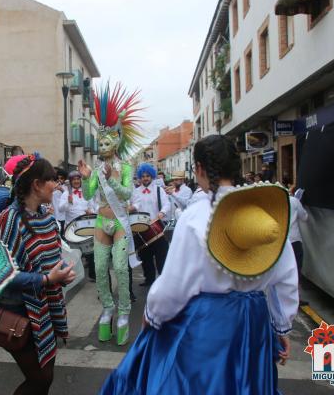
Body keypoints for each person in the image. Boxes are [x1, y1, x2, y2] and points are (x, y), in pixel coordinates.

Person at [101, 135, 299, 394]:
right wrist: (281, 325)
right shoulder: (261, 213)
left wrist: (153, 315)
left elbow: (174, 285)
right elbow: (285, 277)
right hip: (255, 323)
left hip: (208, 324)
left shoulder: (196, 215)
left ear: (199, 169)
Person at [0, 153, 75, 395]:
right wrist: (47, 280)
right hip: (19, 310)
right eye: (51, 179)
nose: (57, 184)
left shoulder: (46, 217)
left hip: (46, 307)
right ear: (37, 185)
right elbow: (3, 276)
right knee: (40, 379)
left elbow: (52, 258)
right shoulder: (8, 220)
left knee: (45, 377)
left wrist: (60, 275)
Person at [78, 82, 144, 346]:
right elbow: (87, 195)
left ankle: (125, 312)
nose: (102, 145)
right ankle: (107, 307)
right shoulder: (96, 168)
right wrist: (85, 179)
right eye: (100, 141)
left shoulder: (126, 167)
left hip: (118, 222)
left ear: (115, 142)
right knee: (100, 267)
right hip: (101, 221)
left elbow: (127, 195)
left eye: (106, 141)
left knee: (119, 266)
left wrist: (113, 180)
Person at [130, 163, 170, 287]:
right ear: (140, 178)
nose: (145, 178)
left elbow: (167, 204)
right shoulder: (135, 192)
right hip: (141, 229)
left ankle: (164, 282)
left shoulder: (159, 190)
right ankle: (149, 280)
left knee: (161, 257)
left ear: (152, 176)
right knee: (145, 258)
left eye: (147, 176)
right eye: (143, 176)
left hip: (157, 228)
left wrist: (162, 213)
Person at [58, 170, 96, 280]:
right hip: (71, 228)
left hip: (85, 225)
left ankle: (93, 274)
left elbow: (92, 206)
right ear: (70, 181)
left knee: (90, 251)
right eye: (74, 179)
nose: (76, 181)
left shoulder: (86, 192)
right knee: (73, 253)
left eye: (78, 179)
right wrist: (68, 202)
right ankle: (73, 275)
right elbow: (60, 209)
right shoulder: (66, 194)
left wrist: (91, 211)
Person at [289, 187, 309, 306]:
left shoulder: (276, 202)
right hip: (294, 240)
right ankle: (296, 297)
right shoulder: (294, 201)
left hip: (281, 242)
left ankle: (284, 297)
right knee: (296, 268)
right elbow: (305, 217)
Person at [52, 168, 68, 236]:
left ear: (64, 179)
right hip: (54, 214)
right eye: (58, 178)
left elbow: (69, 197)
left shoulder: (66, 187)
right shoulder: (53, 185)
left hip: (63, 215)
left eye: (62, 178)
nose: (59, 180)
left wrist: (62, 190)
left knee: (62, 234)